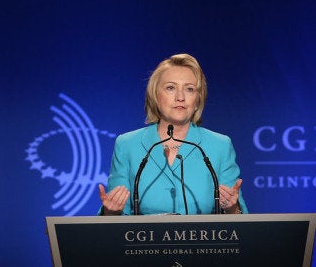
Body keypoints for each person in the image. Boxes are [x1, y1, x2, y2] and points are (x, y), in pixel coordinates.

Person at [98, 53, 248, 215]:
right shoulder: (127, 145)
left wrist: (232, 207)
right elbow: (116, 221)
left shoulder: (220, 146)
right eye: (171, 88)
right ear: (155, 95)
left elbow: (237, 222)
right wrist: (110, 211)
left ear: (198, 99)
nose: (180, 97)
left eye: (189, 89)